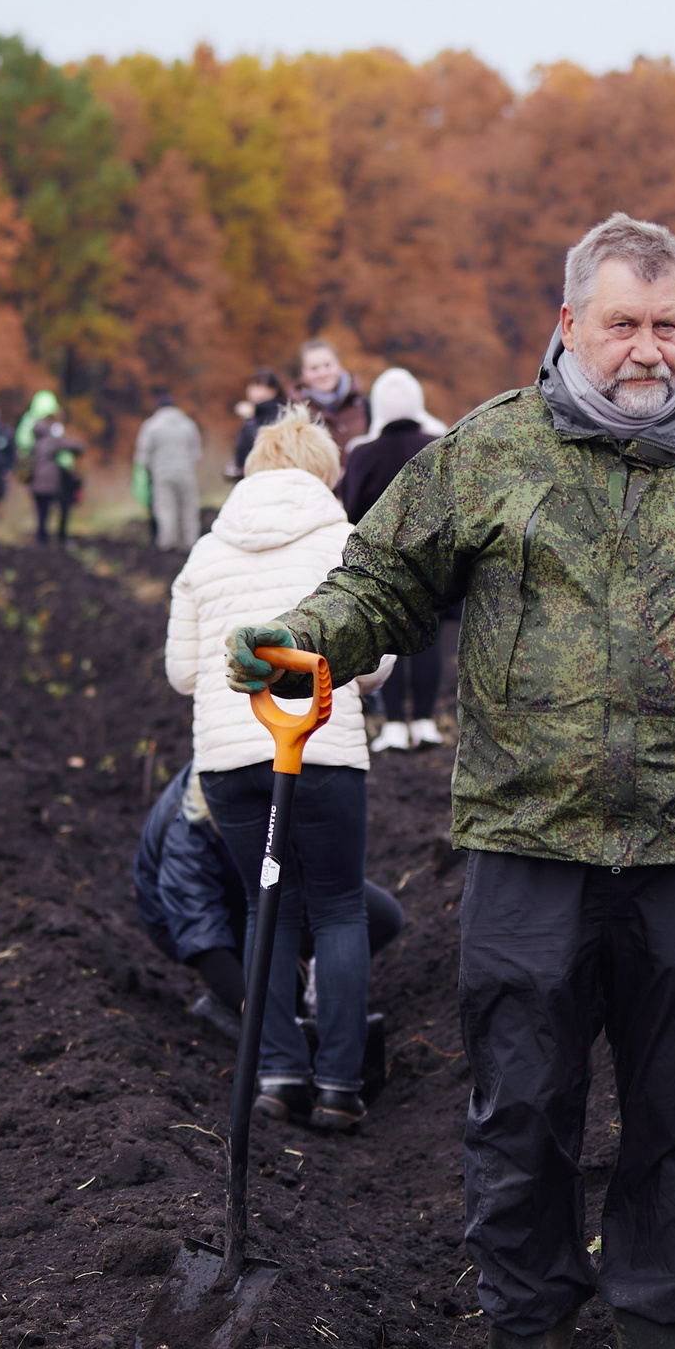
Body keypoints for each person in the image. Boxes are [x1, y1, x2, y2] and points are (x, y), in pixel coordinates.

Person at [242, 214, 675, 1349]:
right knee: (518, 1107)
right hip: (528, 843)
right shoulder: (488, 455)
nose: (645, 350)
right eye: (621, 324)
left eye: (664, 325)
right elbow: (379, 583)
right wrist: (309, 638)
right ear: (571, 325)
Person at [168, 412, 394, 1133]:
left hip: (230, 760)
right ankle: (338, 1086)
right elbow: (377, 668)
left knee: (263, 906)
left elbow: (180, 674)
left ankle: (276, 1072)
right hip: (321, 751)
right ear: (324, 472)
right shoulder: (344, 542)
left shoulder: (206, 551)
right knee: (338, 910)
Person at [133, 765, 408, 1039]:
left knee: (380, 917)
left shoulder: (276, 770)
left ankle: (304, 996)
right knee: (269, 943)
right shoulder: (187, 838)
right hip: (176, 916)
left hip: (255, 875)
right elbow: (201, 936)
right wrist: (250, 1008)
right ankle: (234, 1008)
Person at [339, 367, 450, 752]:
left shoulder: (363, 454)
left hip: (381, 566)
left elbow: (350, 510)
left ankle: (392, 724)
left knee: (387, 642)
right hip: (432, 563)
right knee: (428, 641)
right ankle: (424, 720)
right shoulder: (440, 443)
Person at [134, 390, 205, 551]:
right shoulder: (188, 424)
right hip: (186, 473)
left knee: (166, 508)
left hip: (162, 473)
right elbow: (196, 452)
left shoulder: (152, 425)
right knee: (189, 509)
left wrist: (148, 471)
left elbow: (142, 455)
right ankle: (190, 543)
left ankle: (167, 544)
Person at [293, 339, 371, 449]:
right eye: (314, 368)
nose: (322, 373)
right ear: (303, 372)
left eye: (327, 365)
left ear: (339, 365)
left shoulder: (363, 404)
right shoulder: (296, 412)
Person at [23, 394, 78, 546]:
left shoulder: (29, 427)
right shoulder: (52, 431)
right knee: (61, 506)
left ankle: (42, 538)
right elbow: (66, 446)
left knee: (42, 510)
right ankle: (58, 537)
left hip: (35, 476)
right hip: (55, 475)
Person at [227, 369, 287, 478]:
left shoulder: (278, 414)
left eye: (258, 386)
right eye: (251, 386)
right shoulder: (257, 413)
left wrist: (249, 419)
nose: (251, 390)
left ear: (272, 391)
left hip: (267, 476)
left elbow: (261, 443)